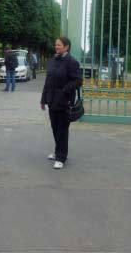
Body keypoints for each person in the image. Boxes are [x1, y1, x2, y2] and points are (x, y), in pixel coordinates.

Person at [40, 37, 82, 169]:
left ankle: (61, 157)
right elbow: (48, 82)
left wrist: (65, 90)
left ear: (66, 47)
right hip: (52, 101)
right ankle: (58, 151)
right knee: (55, 128)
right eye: (56, 45)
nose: (56, 47)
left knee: (62, 130)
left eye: (59, 45)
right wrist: (43, 99)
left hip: (64, 102)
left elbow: (78, 81)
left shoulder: (72, 62)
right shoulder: (53, 60)